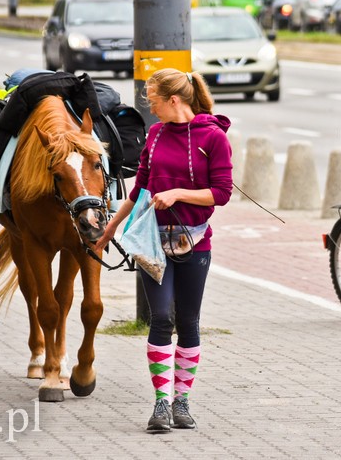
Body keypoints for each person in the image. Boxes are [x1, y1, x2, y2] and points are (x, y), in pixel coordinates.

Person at [94, 68, 233, 433]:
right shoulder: (154, 135)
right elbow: (139, 188)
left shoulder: (213, 137)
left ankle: (182, 401)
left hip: (195, 242)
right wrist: (109, 229)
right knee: (161, 318)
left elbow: (221, 193)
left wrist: (177, 194)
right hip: (153, 242)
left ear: (174, 100)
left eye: (153, 100)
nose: (150, 107)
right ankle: (161, 403)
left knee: (188, 321)